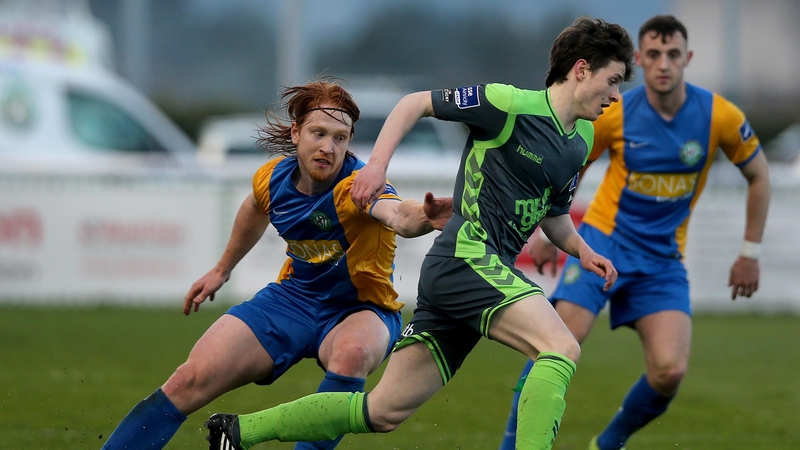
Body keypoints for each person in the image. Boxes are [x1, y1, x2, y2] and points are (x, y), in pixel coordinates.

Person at [205, 16, 633, 450]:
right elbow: (415, 103)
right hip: (468, 258)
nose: (616, 96)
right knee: (560, 348)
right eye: (612, 80)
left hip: (469, 278)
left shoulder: (580, 137)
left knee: (380, 411)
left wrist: (583, 249)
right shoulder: (508, 103)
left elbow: (554, 215)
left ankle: (239, 432)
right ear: (581, 69)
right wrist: (376, 166)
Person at [99, 79, 453, 450]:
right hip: (293, 301)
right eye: (319, 133)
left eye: (340, 138)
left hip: (361, 309)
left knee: (352, 353)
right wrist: (222, 269)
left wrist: (425, 217)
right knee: (189, 379)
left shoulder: (356, 188)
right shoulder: (272, 178)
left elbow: (397, 213)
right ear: (297, 132)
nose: (328, 147)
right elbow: (255, 208)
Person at [498, 15, 771, 450]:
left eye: (674, 55)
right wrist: (548, 234)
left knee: (669, 372)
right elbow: (569, 164)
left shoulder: (719, 116)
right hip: (605, 241)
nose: (664, 64)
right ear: (640, 60)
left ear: (688, 59)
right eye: (655, 56)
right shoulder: (615, 111)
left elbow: (759, 175)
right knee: (555, 344)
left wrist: (750, 251)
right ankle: (512, 446)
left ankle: (606, 445)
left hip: (663, 260)